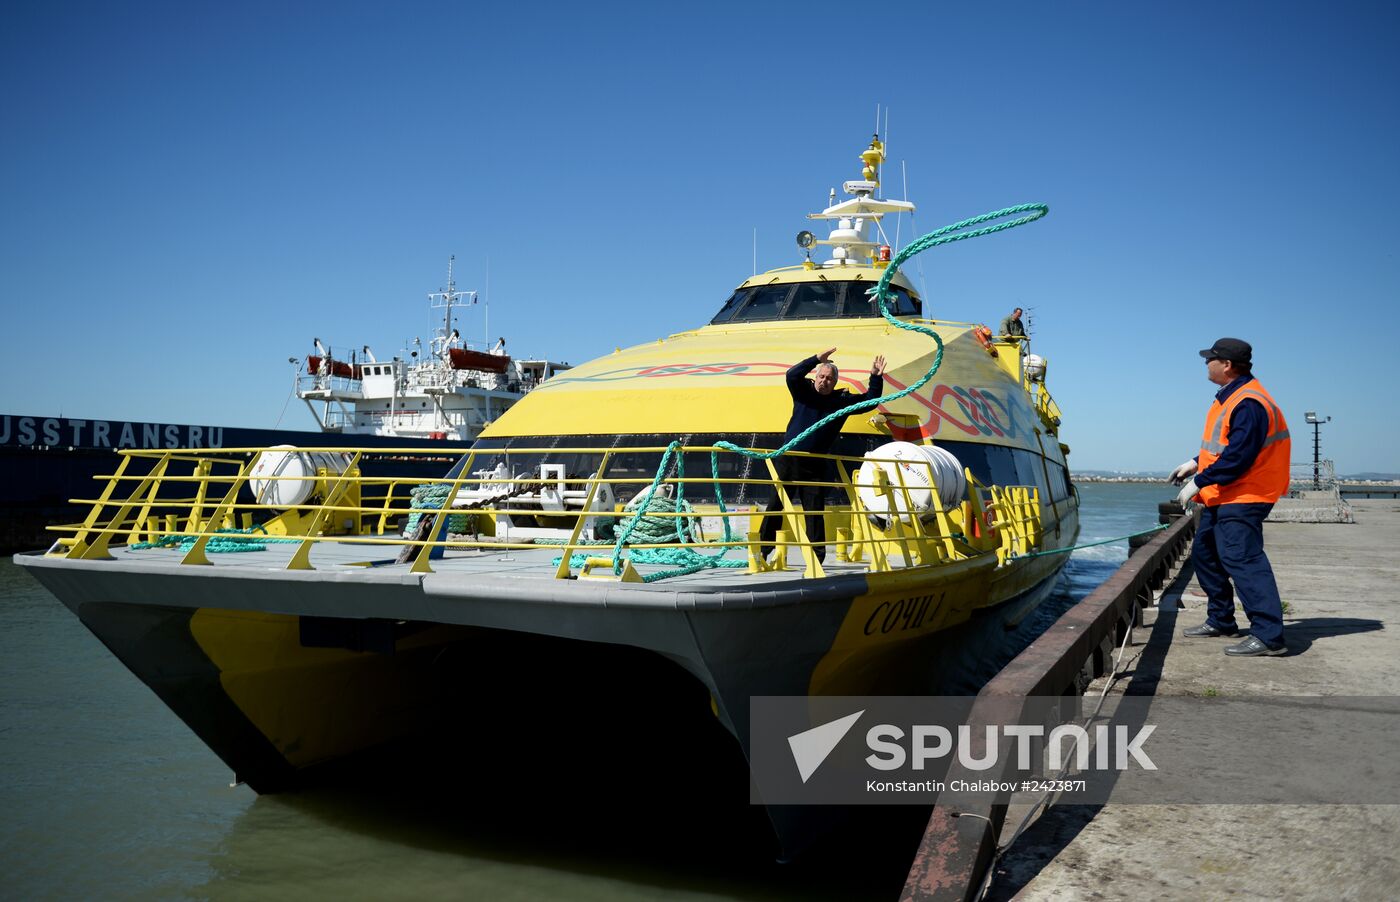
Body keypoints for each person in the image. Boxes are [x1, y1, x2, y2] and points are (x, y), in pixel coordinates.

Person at [1170, 337, 1291, 656]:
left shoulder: (1249, 402)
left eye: (1210, 358)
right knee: (1205, 554)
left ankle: (1268, 635)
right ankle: (1221, 619)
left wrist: (1200, 481)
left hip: (1246, 494)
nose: (1205, 363)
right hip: (1224, 494)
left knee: (1243, 558)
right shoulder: (1231, 397)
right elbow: (1224, 446)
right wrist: (1195, 462)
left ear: (1226, 365)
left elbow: (1240, 456)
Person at [759, 348, 886, 565]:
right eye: (821, 376)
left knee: (815, 511)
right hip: (789, 459)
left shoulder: (840, 403)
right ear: (815, 377)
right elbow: (792, 375)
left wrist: (875, 377)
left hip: (814, 464)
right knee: (775, 506)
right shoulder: (803, 392)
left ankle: (816, 558)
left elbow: (870, 401)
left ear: (834, 383)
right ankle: (762, 552)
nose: (824, 381)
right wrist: (816, 359)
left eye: (829, 379)